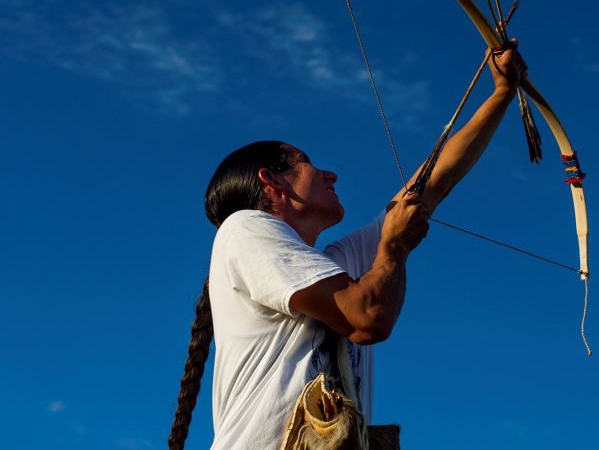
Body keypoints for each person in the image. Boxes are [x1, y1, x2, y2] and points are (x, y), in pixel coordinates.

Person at [168, 44, 527, 450]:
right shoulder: (245, 227)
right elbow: (366, 317)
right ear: (273, 182)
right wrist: (393, 247)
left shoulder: (336, 264)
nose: (330, 173)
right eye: (306, 162)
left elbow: (434, 184)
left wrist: (501, 93)